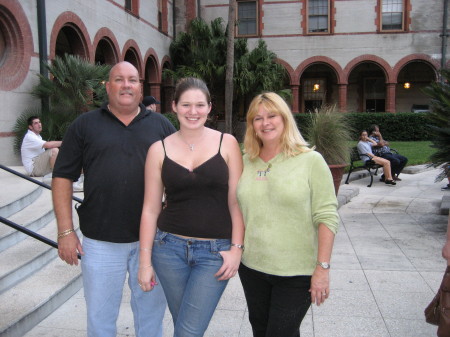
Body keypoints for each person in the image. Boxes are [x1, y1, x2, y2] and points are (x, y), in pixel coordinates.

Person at [52, 61, 176, 337]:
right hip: (100, 243)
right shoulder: (84, 125)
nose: (126, 85)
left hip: (152, 242)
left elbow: (180, 179)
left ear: (140, 87)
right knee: (100, 318)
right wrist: (65, 232)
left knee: (151, 318)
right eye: (118, 79)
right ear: (107, 87)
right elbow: (62, 177)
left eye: (132, 80)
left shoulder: (161, 126)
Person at [138, 77, 245, 336]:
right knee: (184, 325)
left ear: (209, 107)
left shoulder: (227, 143)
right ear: (174, 106)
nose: (193, 112)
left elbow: (237, 201)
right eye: (186, 105)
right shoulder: (158, 149)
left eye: (199, 105)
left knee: (187, 331)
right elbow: (150, 209)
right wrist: (144, 261)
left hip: (215, 253)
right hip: (167, 250)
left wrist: (236, 249)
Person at [236, 92, 339, 337]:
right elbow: (236, 208)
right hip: (252, 267)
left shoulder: (310, 161)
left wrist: (322, 269)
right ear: (251, 125)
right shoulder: (244, 162)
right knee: (261, 330)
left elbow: (327, 216)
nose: (265, 123)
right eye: (257, 118)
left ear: (285, 119)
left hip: (297, 272)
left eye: (272, 116)